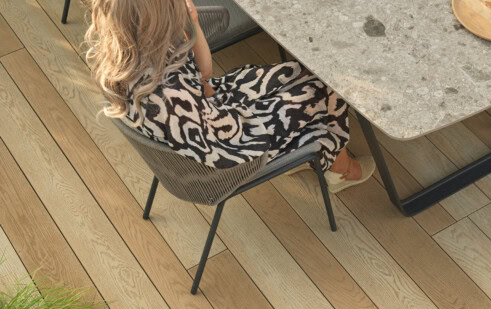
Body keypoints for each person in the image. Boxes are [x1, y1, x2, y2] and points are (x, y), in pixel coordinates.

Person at [85, 0, 374, 193]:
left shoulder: (129, 56)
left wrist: (192, 24)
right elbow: (223, 134)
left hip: (210, 113)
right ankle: (339, 169)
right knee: (327, 88)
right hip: (232, 148)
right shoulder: (169, 93)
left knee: (297, 74)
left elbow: (205, 75)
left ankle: (307, 150)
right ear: (158, 19)